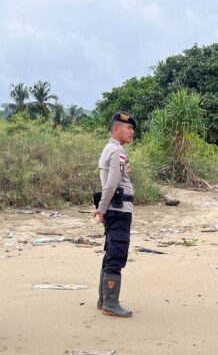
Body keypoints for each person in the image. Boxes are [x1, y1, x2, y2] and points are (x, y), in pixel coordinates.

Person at [92, 111, 136, 318]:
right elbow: (110, 185)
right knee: (117, 254)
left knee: (111, 252)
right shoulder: (116, 151)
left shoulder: (113, 150)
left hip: (115, 209)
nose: (132, 131)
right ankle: (110, 303)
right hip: (118, 210)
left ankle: (104, 300)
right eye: (128, 127)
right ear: (116, 129)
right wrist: (102, 208)